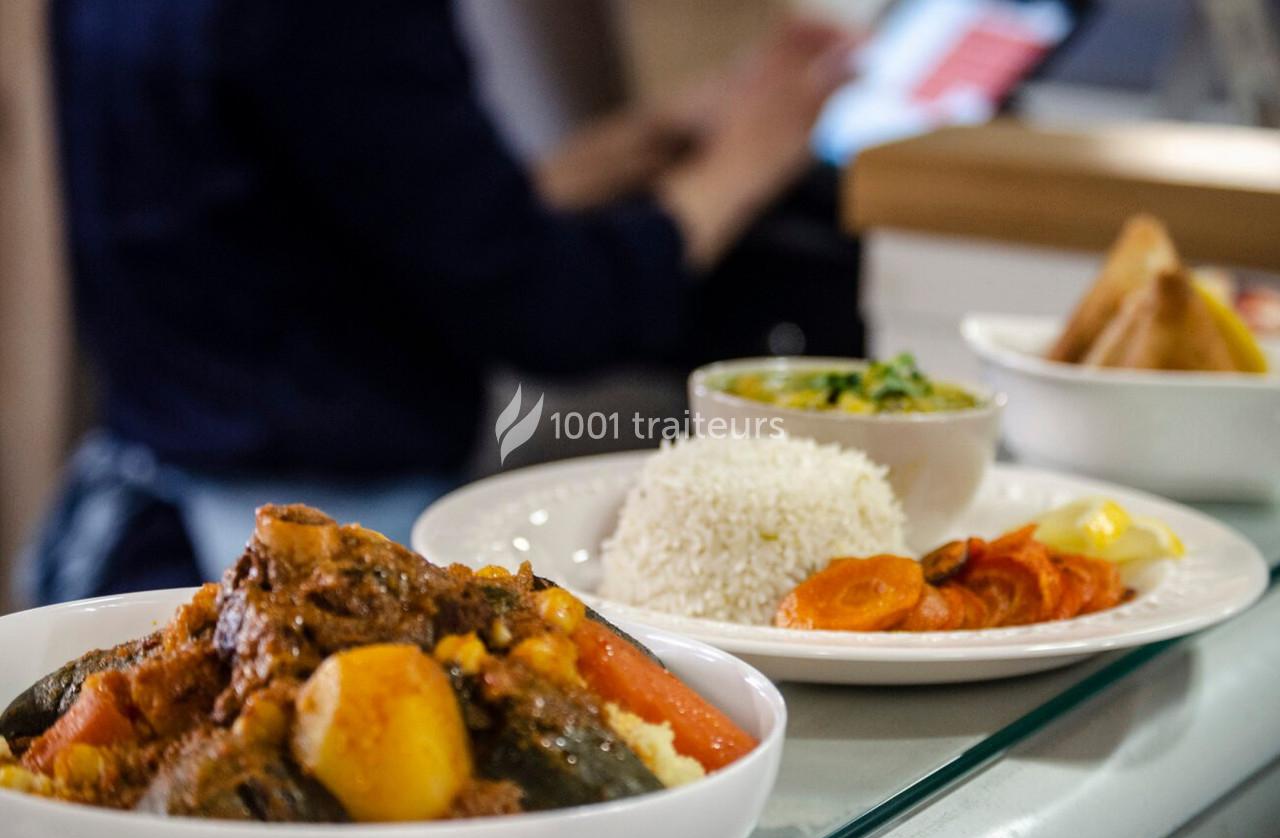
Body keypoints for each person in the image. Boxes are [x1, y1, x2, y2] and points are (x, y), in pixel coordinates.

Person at [24, 0, 854, 605]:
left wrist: (643, 139)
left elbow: (375, 215)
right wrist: (751, 156)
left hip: (144, 491)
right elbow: (550, 309)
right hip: (291, 555)